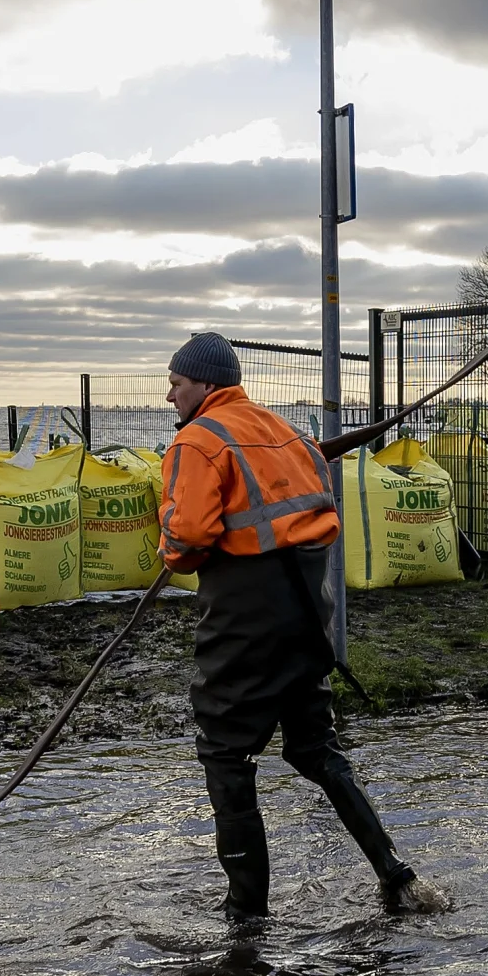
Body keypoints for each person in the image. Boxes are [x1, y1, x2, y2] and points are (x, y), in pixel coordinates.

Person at [157, 331, 448, 921]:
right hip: (309, 619)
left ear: (205, 385)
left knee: (226, 758)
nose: (170, 396)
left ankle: (247, 919)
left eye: (177, 383)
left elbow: (187, 541)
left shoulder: (198, 441)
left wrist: (167, 536)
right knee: (317, 748)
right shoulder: (287, 433)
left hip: (244, 623)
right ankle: (399, 877)